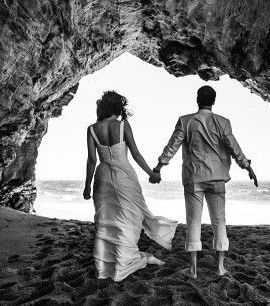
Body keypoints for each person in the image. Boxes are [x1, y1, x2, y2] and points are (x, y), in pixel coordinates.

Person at [153, 85, 258, 279]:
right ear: (214, 101)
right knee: (219, 221)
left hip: (193, 178)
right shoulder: (223, 122)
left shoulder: (186, 121)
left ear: (197, 99)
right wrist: (247, 167)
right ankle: (219, 268)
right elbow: (234, 148)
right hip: (217, 177)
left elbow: (172, 146)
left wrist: (159, 166)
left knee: (193, 222)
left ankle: (192, 270)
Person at [83, 91, 176, 282]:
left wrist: (87, 186)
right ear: (118, 109)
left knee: (106, 220)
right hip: (124, 174)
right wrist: (152, 173)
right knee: (130, 217)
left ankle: (105, 265)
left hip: (102, 176)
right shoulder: (123, 125)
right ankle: (126, 259)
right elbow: (135, 153)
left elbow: (92, 160)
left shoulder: (92, 128)